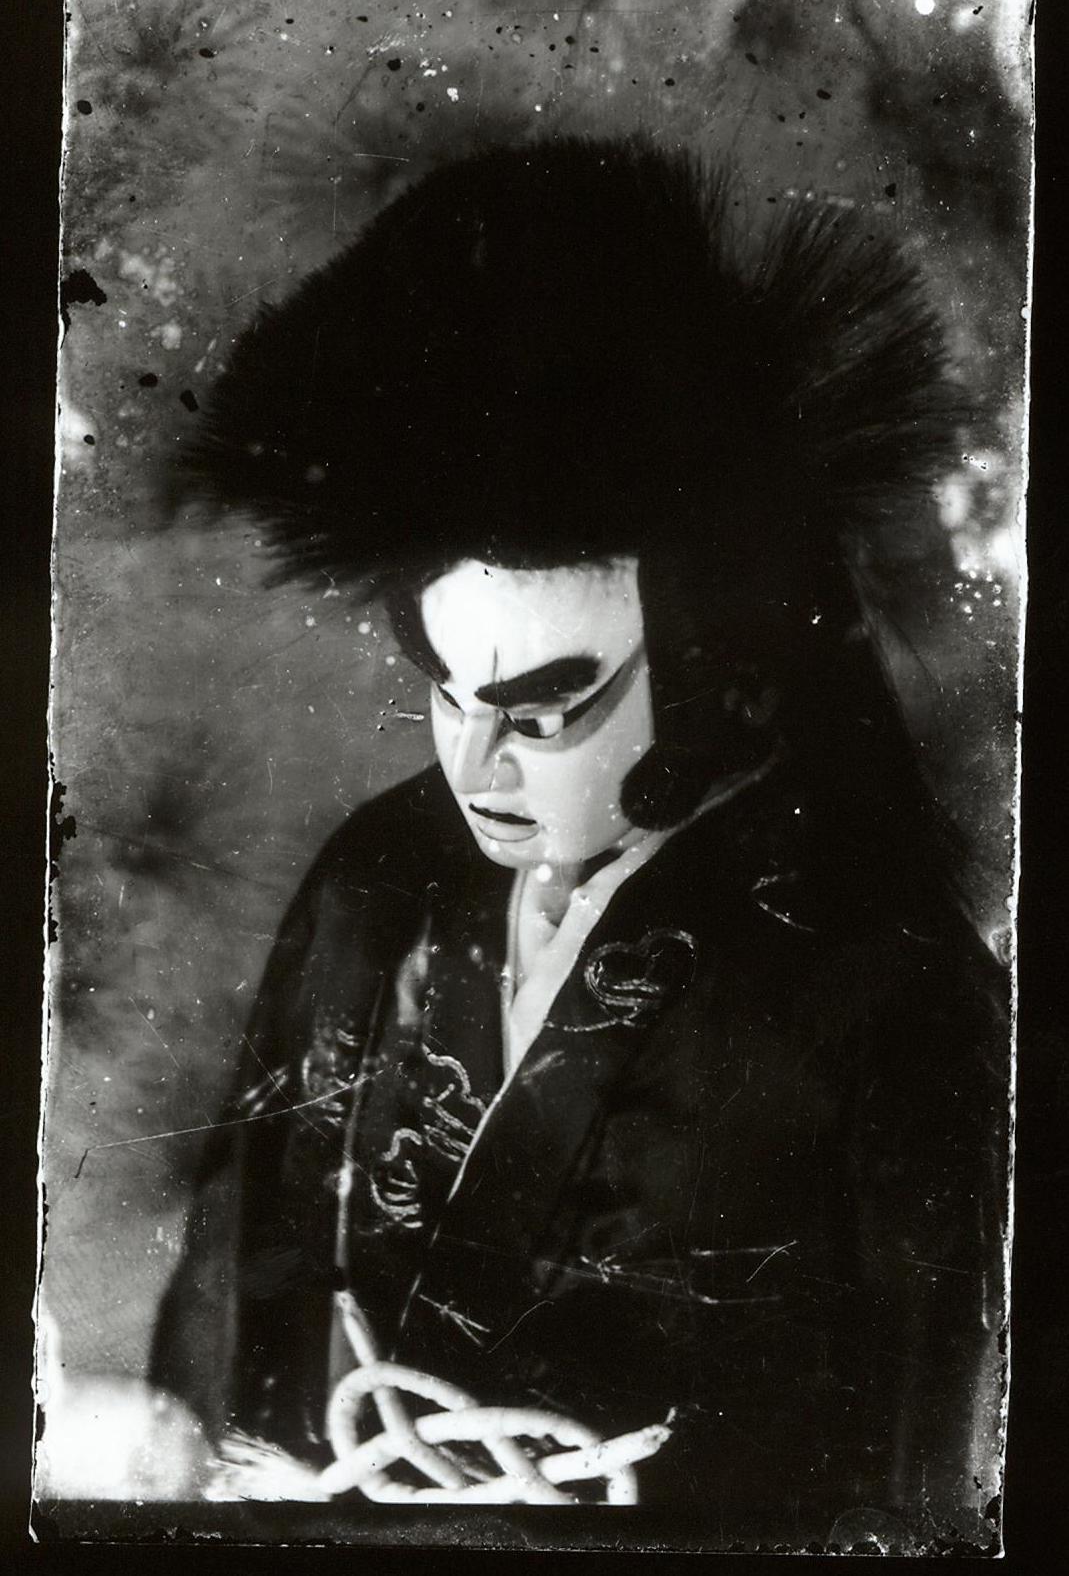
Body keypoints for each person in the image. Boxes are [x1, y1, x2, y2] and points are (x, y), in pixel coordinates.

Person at [151, 140, 1009, 1541]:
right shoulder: (378, 877)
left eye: (545, 712)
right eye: (443, 691)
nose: (471, 765)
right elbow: (234, 1317)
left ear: (715, 662)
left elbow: (928, 1472)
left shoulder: (887, 992)